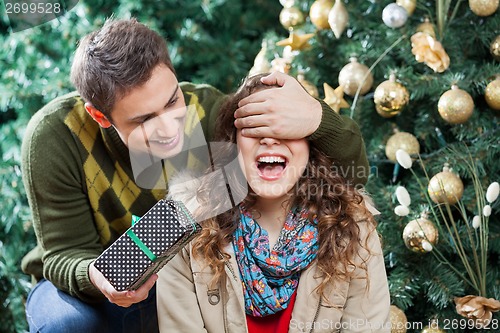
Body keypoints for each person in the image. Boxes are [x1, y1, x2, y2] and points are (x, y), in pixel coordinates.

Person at [21, 18, 369, 333]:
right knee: (65, 323)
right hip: (87, 295)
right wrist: (97, 278)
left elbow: (351, 175)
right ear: (100, 115)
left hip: (179, 283)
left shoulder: (208, 111)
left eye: (172, 102)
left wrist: (317, 117)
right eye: (144, 119)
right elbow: (62, 255)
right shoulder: (54, 136)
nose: (170, 128)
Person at [156, 74, 390, 332]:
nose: (269, 138)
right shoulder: (184, 230)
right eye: (254, 126)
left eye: (286, 127)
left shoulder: (354, 230)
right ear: (235, 145)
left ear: (310, 145)